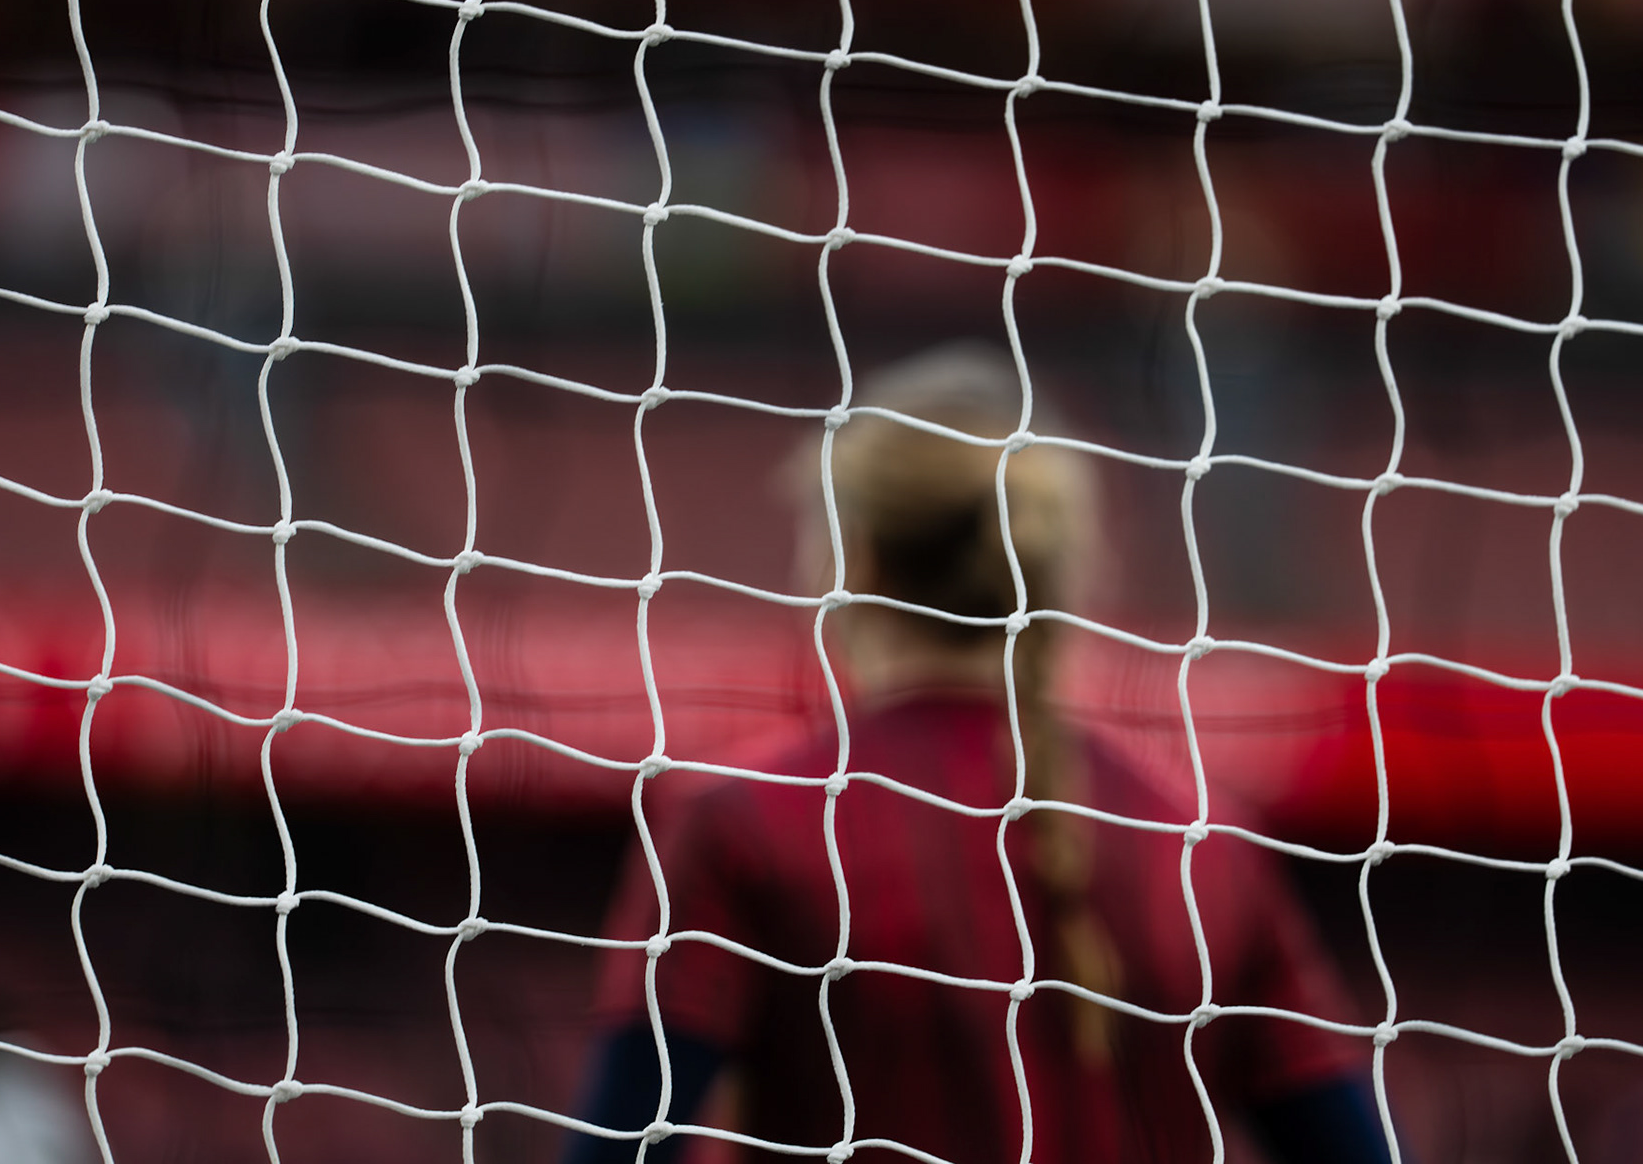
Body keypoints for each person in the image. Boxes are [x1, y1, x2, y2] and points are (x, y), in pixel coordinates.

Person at [566, 345, 1392, 1164]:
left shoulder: (747, 824)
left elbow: (618, 1146)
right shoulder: (1201, 846)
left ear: (850, 556)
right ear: (1062, 572)